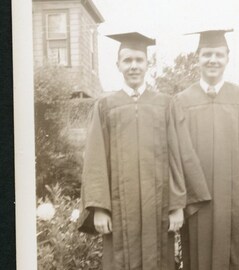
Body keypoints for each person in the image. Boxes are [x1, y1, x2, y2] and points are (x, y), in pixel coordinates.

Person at [77, 32, 210, 270]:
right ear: (118, 65)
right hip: (118, 212)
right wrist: (99, 208)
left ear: (148, 64)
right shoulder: (105, 106)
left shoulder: (165, 104)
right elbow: (95, 160)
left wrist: (177, 205)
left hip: (157, 211)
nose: (134, 66)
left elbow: (177, 157)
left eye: (139, 60)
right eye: (127, 61)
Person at [170, 30, 239, 270]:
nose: (212, 60)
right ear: (197, 57)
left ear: (227, 58)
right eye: (207, 54)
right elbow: (173, 157)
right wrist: (179, 201)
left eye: (218, 54)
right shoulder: (180, 102)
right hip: (197, 205)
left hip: (237, 204)